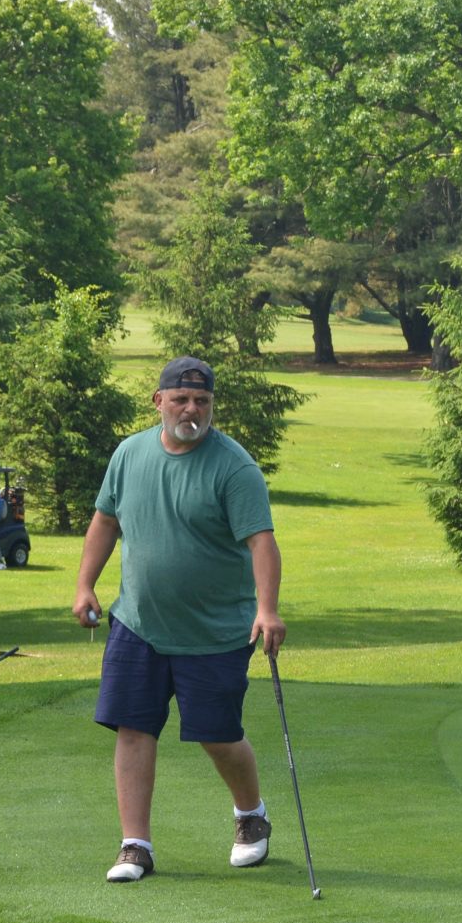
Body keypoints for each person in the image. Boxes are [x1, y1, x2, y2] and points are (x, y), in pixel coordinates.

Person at [72, 357, 285, 883]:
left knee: (218, 735)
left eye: (202, 401)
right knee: (133, 728)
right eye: (181, 399)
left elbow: (261, 542)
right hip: (138, 623)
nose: (191, 410)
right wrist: (84, 584)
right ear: (159, 401)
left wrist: (267, 609)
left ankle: (251, 815)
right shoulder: (129, 454)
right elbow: (105, 521)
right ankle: (135, 845)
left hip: (214, 633)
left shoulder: (234, 467)